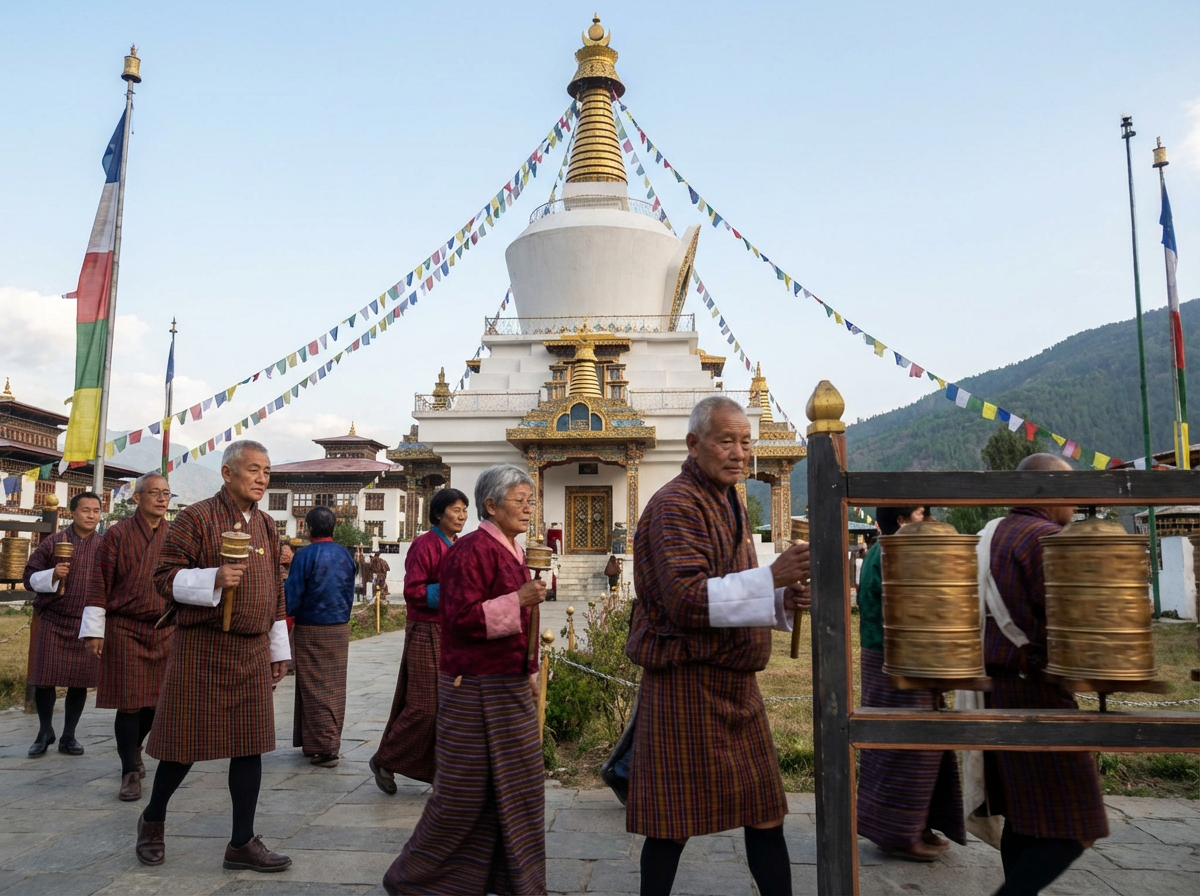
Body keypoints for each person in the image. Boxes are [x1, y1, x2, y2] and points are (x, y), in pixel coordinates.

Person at [624, 395, 810, 896]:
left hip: (735, 685)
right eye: (726, 440)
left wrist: (783, 595)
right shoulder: (675, 504)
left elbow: (731, 585)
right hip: (686, 680)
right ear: (694, 444)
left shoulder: (729, 499)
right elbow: (686, 599)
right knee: (671, 823)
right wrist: (771, 575)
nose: (739, 453)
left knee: (766, 811)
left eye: (745, 442)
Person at [382, 465, 547, 896]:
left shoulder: (513, 549)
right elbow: (458, 620)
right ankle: (414, 877)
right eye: (520, 500)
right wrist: (519, 599)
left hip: (507, 684)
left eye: (531, 500)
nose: (528, 508)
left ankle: (507, 879)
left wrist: (529, 670)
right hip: (473, 688)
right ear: (490, 505)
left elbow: (522, 625)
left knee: (517, 788)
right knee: (462, 794)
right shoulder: (470, 551)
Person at [136, 440, 292, 873]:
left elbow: (276, 591)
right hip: (203, 646)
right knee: (184, 745)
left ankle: (241, 842)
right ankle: (152, 819)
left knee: (251, 746)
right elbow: (163, 577)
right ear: (227, 473)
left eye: (267, 471)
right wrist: (214, 578)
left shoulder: (265, 525)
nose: (262, 478)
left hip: (253, 648)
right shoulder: (196, 517)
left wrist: (280, 648)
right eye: (253, 470)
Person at [983, 454, 1108, 895]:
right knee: (1079, 825)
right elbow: (1070, 622)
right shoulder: (1046, 538)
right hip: (1034, 690)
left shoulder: (994, 533)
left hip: (995, 689)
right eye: (1068, 490)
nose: (1075, 502)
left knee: (1025, 817)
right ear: (1047, 491)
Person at [855, 505, 966, 861]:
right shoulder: (889, 553)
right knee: (906, 751)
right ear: (901, 521)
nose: (928, 521)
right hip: (894, 660)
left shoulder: (889, 550)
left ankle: (917, 825)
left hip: (910, 658)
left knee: (925, 749)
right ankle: (898, 834)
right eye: (921, 514)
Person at [80, 473, 175, 801]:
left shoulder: (173, 535)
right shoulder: (117, 535)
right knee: (130, 703)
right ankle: (129, 772)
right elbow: (98, 581)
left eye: (166, 494)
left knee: (157, 701)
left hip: (164, 628)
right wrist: (95, 630)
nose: (161, 499)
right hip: (124, 627)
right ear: (137, 498)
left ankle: (134, 746)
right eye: (154, 493)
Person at [371, 487, 469, 792]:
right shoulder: (424, 545)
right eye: (455, 510)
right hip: (426, 631)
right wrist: (452, 593)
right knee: (424, 706)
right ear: (438, 513)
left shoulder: (459, 545)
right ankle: (385, 758)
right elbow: (413, 590)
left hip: (452, 633)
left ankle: (444, 773)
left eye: (464, 510)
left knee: (448, 706)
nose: (461, 516)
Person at [22, 491, 105, 758]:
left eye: (95, 511)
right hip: (53, 619)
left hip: (86, 623)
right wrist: (52, 575)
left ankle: (69, 735)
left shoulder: (105, 546)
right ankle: (44, 731)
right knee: (44, 680)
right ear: (72, 513)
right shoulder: (53, 543)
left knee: (79, 681)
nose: (91, 515)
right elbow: (29, 577)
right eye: (85, 510)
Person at [286, 505, 356, 768]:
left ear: (308, 527)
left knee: (315, 687)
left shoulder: (304, 555)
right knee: (334, 687)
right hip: (340, 628)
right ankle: (316, 742)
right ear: (334, 527)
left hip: (313, 627)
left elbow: (292, 596)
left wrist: (285, 628)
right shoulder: (345, 555)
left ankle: (326, 748)